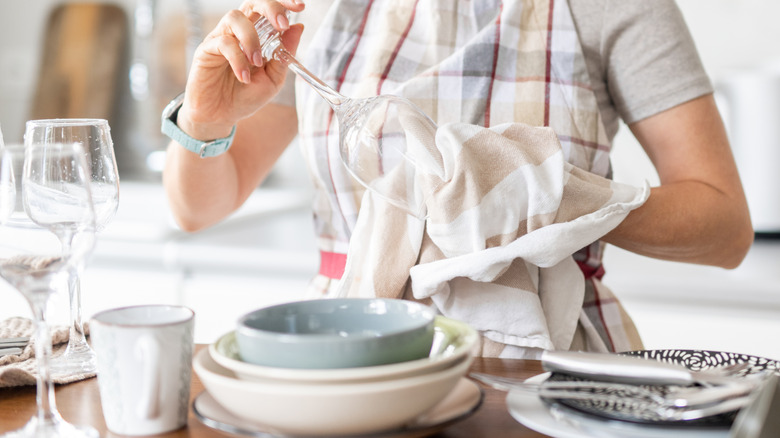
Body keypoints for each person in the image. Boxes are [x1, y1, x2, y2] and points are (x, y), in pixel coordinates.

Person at [161, 0, 753, 356]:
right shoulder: (316, 11)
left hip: (551, 365)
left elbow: (724, 225)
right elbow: (198, 207)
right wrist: (204, 119)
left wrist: (562, 198)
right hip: (348, 353)